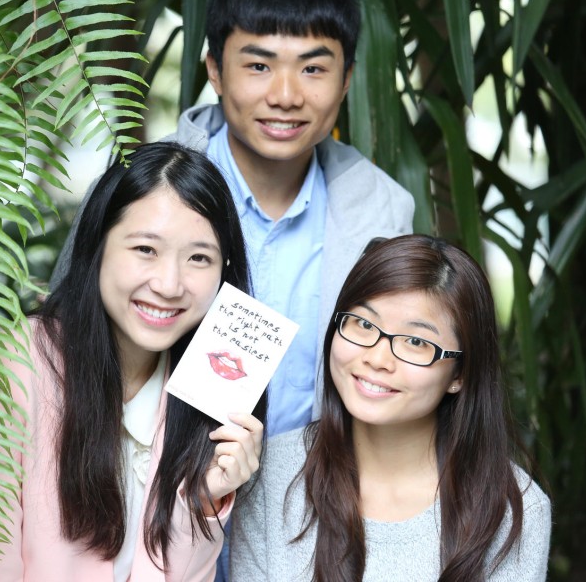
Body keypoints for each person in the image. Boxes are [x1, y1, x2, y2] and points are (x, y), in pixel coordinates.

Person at [55, 0, 414, 439]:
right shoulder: (132, 188)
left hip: (308, 501)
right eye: (258, 65)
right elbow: (61, 352)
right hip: (140, 493)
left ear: (347, 78)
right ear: (215, 72)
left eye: (313, 68)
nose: (286, 96)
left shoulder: (381, 211)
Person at [0, 143, 266, 581]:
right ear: (97, 245)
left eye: (199, 258)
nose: (169, 283)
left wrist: (200, 504)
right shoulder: (6, 370)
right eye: (145, 249)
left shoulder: (212, 396)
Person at [230, 235, 552, 581]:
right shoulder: (272, 474)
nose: (378, 358)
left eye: (416, 342)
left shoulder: (513, 508)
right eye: (364, 324)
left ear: (460, 373)